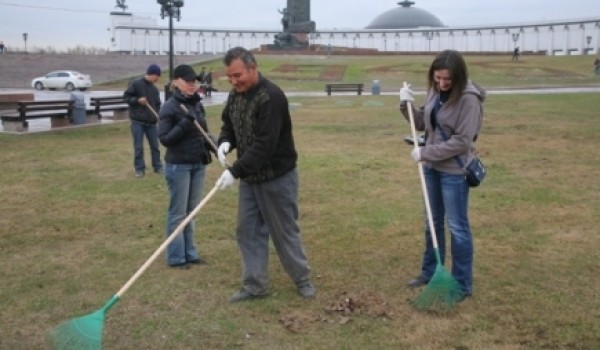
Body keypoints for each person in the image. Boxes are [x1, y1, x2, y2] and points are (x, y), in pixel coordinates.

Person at [215, 47, 316, 302]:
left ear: (253, 68)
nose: (234, 81)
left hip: (277, 176)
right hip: (251, 178)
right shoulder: (235, 95)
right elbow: (229, 123)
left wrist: (234, 171)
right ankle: (255, 285)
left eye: (238, 75)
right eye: (229, 77)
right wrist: (225, 141)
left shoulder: (271, 98)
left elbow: (264, 144)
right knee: (247, 230)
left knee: (283, 230)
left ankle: (302, 279)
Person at [399, 49, 486, 301]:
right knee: (432, 224)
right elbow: (422, 123)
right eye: (438, 78)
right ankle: (430, 272)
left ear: (458, 76)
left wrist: (426, 152)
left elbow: (462, 141)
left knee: (458, 227)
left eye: (447, 79)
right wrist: (405, 104)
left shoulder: (469, 100)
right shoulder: (435, 91)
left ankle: (461, 284)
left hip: (454, 172)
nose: (442, 83)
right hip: (432, 169)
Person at [158, 64, 215, 268]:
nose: (192, 85)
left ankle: (190, 254)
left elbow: (203, 133)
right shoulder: (169, 107)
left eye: (194, 81)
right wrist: (184, 123)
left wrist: (215, 147)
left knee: (191, 212)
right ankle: (176, 258)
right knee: (178, 214)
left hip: (197, 163)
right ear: (176, 82)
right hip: (178, 165)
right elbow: (165, 139)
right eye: (187, 81)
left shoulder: (197, 104)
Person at [123, 64, 163, 177]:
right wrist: (137, 100)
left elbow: (158, 105)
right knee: (139, 146)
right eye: (157, 76)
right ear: (152, 74)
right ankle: (139, 169)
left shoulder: (155, 90)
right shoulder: (136, 84)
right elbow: (126, 97)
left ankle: (157, 166)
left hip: (151, 122)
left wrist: (159, 115)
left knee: (155, 146)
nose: (158, 79)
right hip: (138, 121)